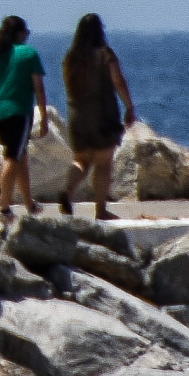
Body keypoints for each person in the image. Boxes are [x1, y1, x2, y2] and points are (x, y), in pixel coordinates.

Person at [0, 15, 53, 224]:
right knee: (12, 157)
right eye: (26, 31)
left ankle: (29, 203)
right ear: (19, 33)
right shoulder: (28, 54)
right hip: (18, 113)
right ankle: (4, 208)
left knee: (21, 156)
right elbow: (39, 88)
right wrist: (44, 116)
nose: (28, 35)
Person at [60, 14, 134, 221]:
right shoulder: (105, 55)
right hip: (102, 114)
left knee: (82, 160)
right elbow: (118, 81)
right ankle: (100, 210)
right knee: (103, 163)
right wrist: (129, 106)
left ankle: (67, 192)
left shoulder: (71, 57)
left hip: (77, 115)